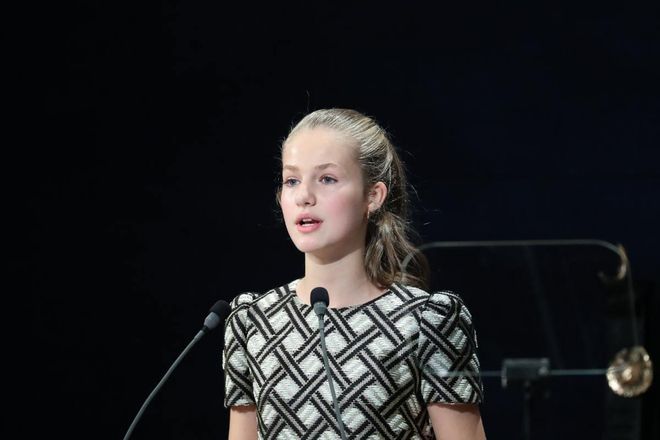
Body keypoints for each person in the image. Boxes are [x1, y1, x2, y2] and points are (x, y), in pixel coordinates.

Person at [223, 108, 485, 439]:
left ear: (372, 196)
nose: (304, 196)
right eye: (292, 180)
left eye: (327, 179)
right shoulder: (253, 321)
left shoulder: (426, 321)